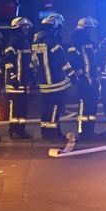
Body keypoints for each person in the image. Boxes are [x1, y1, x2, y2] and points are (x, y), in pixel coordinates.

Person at [32, 13, 75, 142]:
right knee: (56, 106)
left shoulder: (36, 41)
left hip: (44, 82)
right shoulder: (53, 41)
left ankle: (45, 131)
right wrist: (72, 75)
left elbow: (33, 61)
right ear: (54, 27)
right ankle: (53, 133)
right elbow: (62, 60)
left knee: (46, 107)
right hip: (56, 81)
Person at [67, 16, 101, 141]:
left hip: (93, 79)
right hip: (84, 79)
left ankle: (90, 131)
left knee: (92, 105)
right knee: (83, 105)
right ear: (84, 29)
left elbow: (95, 60)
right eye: (89, 29)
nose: (91, 31)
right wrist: (81, 75)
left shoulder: (90, 42)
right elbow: (72, 60)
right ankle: (82, 132)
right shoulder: (75, 42)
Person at [3, 16, 35, 140]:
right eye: (23, 26)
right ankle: (13, 131)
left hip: (23, 82)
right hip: (15, 83)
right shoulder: (13, 43)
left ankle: (21, 131)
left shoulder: (24, 42)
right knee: (15, 108)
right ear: (18, 28)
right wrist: (13, 77)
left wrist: (32, 74)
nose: (26, 28)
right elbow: (8, 62)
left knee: (23, 108)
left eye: (27, 26)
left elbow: (28, 61)